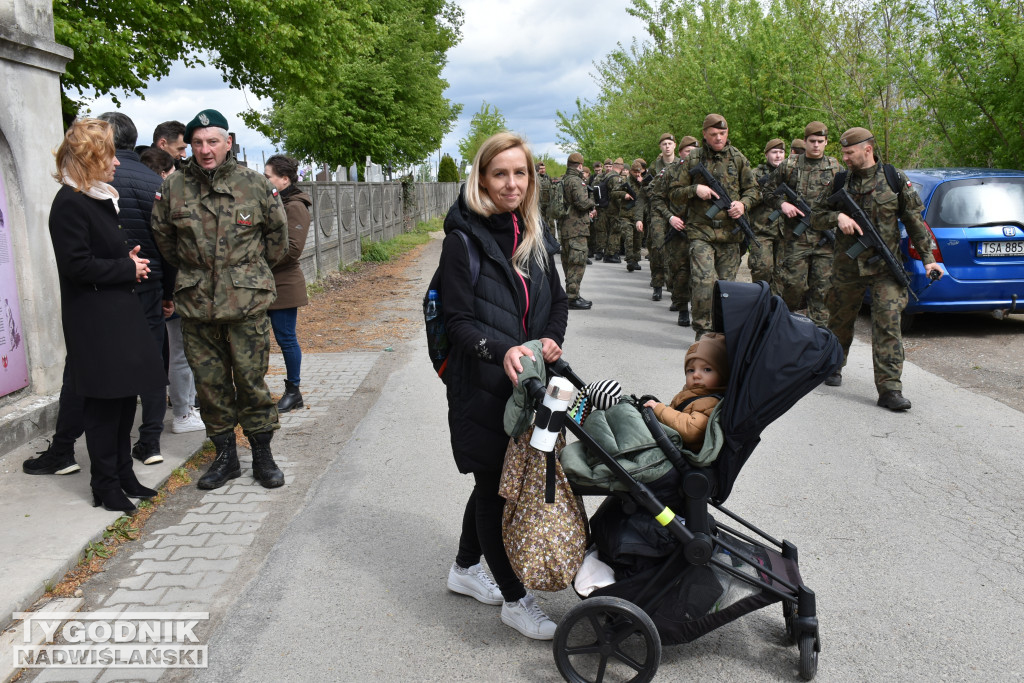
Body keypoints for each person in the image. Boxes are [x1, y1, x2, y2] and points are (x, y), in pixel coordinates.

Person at [439, 131, 569, 640]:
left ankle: (465, 567)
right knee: (496, 486)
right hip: (483, 381)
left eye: (521, 173)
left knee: (493, 479)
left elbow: (556, 300)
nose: (512, 183)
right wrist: (502, 351)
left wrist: (549, 340)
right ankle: (515, 600)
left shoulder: (532, 230)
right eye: (501, 174)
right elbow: (458, 321)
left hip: (531, 381)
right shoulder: (462, 239)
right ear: (482, 178)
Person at [151, 109, 289, 489]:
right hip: (197, 305)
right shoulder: (173, 188)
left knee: (251, 382)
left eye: (213, 141)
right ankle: (225, 457)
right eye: (197, 143)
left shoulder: (256, 185)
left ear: (228, 142)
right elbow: (166, 242)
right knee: (210, 386)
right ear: (189, 146)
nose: (205, 150)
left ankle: (262, 455)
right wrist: (199, 274)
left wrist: (244, 273)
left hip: (246, 303)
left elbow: (277, 243)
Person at [46, 118, 166, 512]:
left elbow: (99, 254)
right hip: (94, 320)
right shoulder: (69, 202)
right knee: (102, 406)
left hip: (116, 311)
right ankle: (105, 485)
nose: (117, 163)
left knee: (122, 399)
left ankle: (124, 475)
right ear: (90, 157)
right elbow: (77, 266)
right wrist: (126, 269)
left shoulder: (98, 197)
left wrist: (123, 259)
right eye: (110, 155)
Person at [810, 127, 943, 411]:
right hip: (847, 265)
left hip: (885, 266)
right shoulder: (840, 182)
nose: (844, 157)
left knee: (888, 323)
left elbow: (914, 222)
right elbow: (815, 217)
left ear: (867, 149)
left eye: (849, 152)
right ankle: (832, 365)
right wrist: (838, 217)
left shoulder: (894, 179)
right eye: (843, 152)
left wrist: (929, 258)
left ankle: (890, 389)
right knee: (840, 320)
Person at [98, 111, 173, 467]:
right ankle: (151, 441)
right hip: (151, 284)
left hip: (109, 287)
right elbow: (167, 244)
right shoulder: (153, 181)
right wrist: (169, 292)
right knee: (153, 362)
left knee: (115, 362)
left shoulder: (95, 182)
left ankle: (110, 445)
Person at [669, 114, 758, 338]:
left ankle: (721, 332)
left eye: (723, 133)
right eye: (713, 134)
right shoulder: (693, 158)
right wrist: (694, 190)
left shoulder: (738, 158)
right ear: (705, 135)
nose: (719, 138)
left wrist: (743, 204)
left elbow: (754, 190)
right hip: (701, 232)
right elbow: (674, 193)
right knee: (703, 281)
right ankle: (703, 332)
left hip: (730, 234)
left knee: (727, 288)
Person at [765, 122, 842, 325]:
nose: (816, 145)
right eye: (812, 141)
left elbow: (846, 198)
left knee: (823, 290)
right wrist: (782, 205)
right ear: (805, 141)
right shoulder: (789, 166)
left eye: (820, 141)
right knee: (792, 286)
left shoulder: (835, 168)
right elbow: (766, 191)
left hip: (825, 241)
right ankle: (783, 324)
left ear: (826, 142)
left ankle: (818, 336)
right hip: (795, 239)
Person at [264, 155, 312, 413]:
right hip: (265, 283)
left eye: (268, 175)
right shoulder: (275, 201)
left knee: (286, 339)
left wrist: (256, 260)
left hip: (283, 284)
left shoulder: (294, 206)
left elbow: (293, 249)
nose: (265, 180)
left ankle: (293, 392)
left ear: (284, 179)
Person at [643, 332, 728, 452]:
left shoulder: (712, 402)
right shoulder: (692, 393)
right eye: (691, 370)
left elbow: (692, 429)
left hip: (681, 451)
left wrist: (661, 410)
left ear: (723, 375)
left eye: (707, 369)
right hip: (671, 442)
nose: (696, 375)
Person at [747, 138, 787, 293]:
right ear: (766, 155)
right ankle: (759, 304)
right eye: (774, 152)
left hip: (785, 232)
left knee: (782, 275)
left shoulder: (790, 173)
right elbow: (747, 198)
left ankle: (776, 309)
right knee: (762, 269)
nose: (778, 156)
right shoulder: (755, 174)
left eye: (781, 152)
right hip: (762, 230)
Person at [561, 152, 598, 309]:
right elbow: (582, 204)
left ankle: (572, 294)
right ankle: (572, 297)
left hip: (566, 228)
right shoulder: (576, 181)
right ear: (580, 166)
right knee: (577, 263)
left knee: (569, 262)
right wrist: (593, 202)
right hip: (576, 228)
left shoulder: (564, 180)